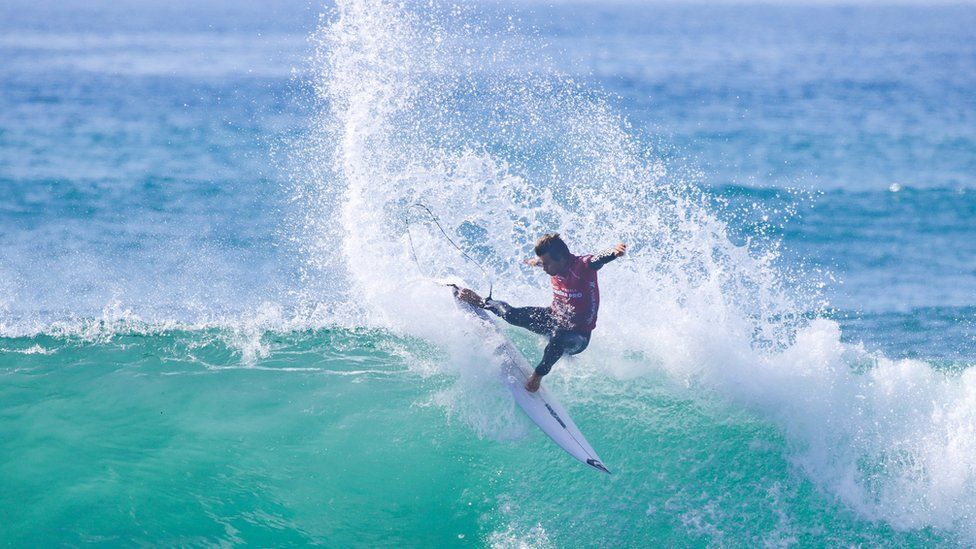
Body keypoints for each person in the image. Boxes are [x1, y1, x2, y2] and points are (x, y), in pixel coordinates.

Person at [456, 233, 626, 393]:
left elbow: (597, 258)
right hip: (553, 318)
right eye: (541, 263)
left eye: (546, 263)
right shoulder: (554, 265)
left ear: (561, 259)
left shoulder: (582, 266)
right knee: (511, 315)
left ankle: (538, 376)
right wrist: (533, 262)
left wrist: (613, 252)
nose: (543, 267)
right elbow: (542, 263)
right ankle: (482, 301)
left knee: (558, 338)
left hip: (577, 337)